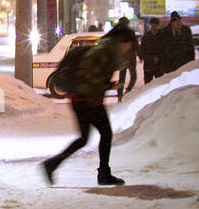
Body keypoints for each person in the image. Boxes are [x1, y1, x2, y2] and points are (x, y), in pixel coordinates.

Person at [42, 25, 138, 186]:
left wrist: (105, 84)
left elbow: (94, 74)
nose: (129, 48)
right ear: (122, 41)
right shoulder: (103, 51)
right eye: (129, 44)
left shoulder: (108, 50)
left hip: (84, 99)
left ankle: (52, 164)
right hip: (86, 100)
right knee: (105, 134)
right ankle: (103, 174)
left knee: (84, 138)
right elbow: (88, 73)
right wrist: (106, 85)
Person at [113, 17, 138, 98]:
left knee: (122, 78)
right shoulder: (130, 33)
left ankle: (120, 93)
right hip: (130, 59)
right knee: (133, 77)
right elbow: (135, 45)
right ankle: (128, 90)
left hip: (122, 59)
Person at [141, 17, 164, 83]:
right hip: (148, 65)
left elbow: (164, 49)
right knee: (148, 83)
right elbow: (142, 49)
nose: (153, 27)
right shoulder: (146, 36)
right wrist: (149, 58)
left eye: (155, 26)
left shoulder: (162, 35)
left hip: (159, 65)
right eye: (152, 26)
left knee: (159, 83)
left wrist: (159, 57)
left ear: (158, 26)